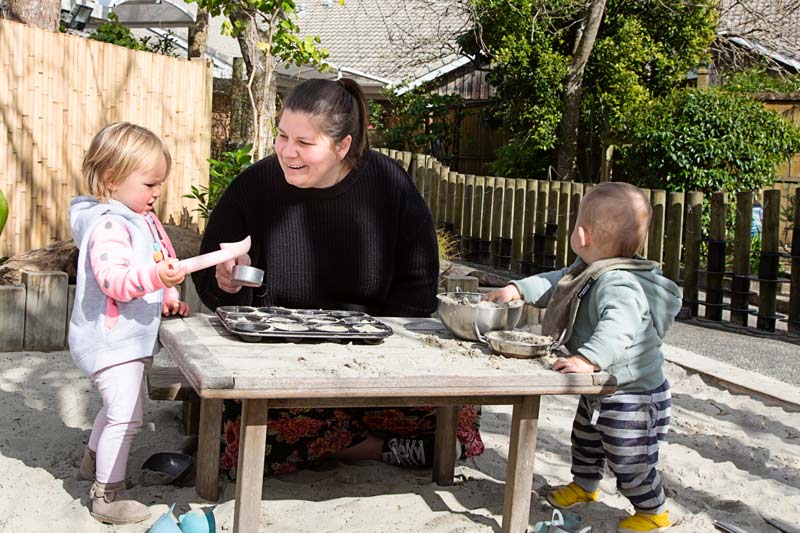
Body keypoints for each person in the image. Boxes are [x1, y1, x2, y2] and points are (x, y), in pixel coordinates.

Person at [193, 78, 484, 477]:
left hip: (370, 361)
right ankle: (375, 448)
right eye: (282, 136)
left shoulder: (388, 184)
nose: (287, 152)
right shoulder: (254, 187)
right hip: (281, 363)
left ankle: (340, 436)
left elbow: (418, 284)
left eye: (305, 143)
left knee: (461, 418)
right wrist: (224, 283)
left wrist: (376, 354)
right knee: (247, 434)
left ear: (343, 145)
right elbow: (209, 282)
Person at [485, 182, 681, 533]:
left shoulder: (618, 283)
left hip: (634, 395)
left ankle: (654, 510)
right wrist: (519, 289)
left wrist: (588, 359)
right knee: (586, 440)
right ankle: (585, 486)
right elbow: (557, 282)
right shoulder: (588, 267)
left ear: (581, 233)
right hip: (604, 388)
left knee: (629, 456)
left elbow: (618, 329)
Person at [69, 122, 189, 524]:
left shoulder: (138, 218)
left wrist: (168, 297)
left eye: (160, 183)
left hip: (129, 338)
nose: (157, 192)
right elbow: (116, 282)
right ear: (112, 179)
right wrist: (159, 280)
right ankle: (106, 495)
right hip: (109, 338)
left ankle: (92, 461)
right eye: (150, 183)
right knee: (127, 415)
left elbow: (153, 264)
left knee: (117, 408)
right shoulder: (109, 225)